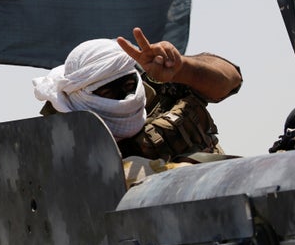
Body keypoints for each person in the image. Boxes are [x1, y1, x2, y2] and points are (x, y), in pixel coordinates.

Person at [33, 27, 243, 163]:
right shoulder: (63, 139)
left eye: (129, 85)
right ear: (80, 95)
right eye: (107, 92)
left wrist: (181, 68)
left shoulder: (159, 84)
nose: (126, 97)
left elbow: (231, 79)